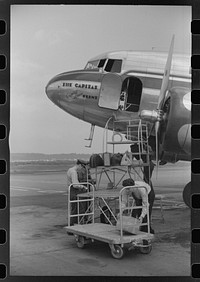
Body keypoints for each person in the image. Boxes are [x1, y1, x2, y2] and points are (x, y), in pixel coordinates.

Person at [67, 159, 89, 227]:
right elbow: (75, 184)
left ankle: (72, 225)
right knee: (78, 209)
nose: (82, 169)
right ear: (79, 165)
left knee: (74, 209)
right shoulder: (74, 172)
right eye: (82, 167)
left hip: (72, 191)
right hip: (75, 191)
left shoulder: (70, 170)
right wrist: (83, 187)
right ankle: (75, 225)